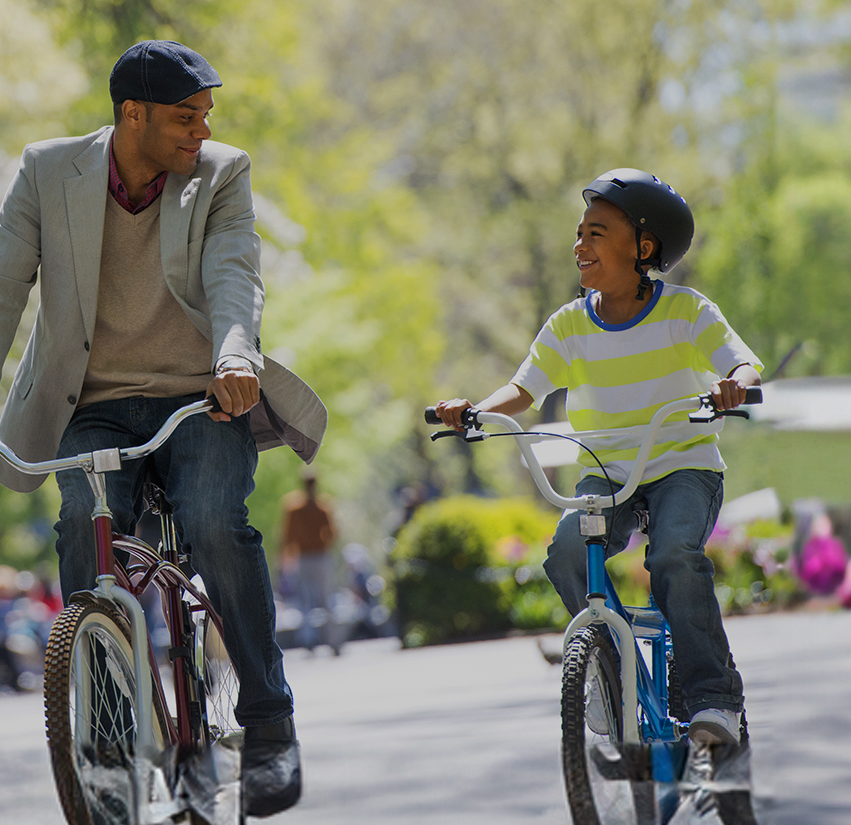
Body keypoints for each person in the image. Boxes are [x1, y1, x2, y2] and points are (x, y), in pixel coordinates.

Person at [0, 39, 332, 815]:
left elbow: (234, 273)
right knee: (85, 528)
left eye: (206, 117)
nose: (201, 130)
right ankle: (112, 742)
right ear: (133, 114)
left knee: (216, 525)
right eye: (186, 117)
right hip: (90, 403)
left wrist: (234, 357)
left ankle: (267, 726)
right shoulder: (48, 172)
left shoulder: (222, 174)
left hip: (201, 396)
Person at [423, 169, 766, 776]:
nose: (579, 245)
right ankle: (610, 679)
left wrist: (735, 386)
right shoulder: (568, 325)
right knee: (562, 555)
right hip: (605, 473)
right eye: (578, 233)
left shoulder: (687, 312)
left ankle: (716, 701)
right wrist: (476, 410)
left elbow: (741, 362)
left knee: (672, 557)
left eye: (596, 233)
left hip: (681, 464)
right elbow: (524, 389)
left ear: (643, 247)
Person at [277, 481, 345, 654]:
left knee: (306, 600)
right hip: (320, 557)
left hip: (306, 557)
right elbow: (332, 533)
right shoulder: (321, 506)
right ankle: (333, 642)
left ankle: (309, 640)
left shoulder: (295, 507)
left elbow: (287, 536)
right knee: (326, 599)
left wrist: (286, 558)